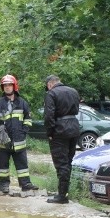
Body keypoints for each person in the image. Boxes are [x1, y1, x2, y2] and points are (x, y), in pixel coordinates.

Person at [0, 74, 39, 194]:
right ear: (2, 88)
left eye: (9, 85)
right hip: (3, 142)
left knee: (22, 165)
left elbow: (28, 119)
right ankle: (4, 186)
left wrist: (24, 132)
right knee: (3, 166)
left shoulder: (22, 103)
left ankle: (26, 184)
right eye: (5, 85)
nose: (7, 87)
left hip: (19, 141)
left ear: (14, 86)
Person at [43, 75, 80, 204]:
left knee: (61, 163)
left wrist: (50, 132)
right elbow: (77, 109)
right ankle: (64, 192)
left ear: (49, 84)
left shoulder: (51, 94)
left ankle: (62, 195)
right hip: (74, 128)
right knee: (68, 161)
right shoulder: (73, 91)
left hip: (60, 130)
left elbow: (49, 116)